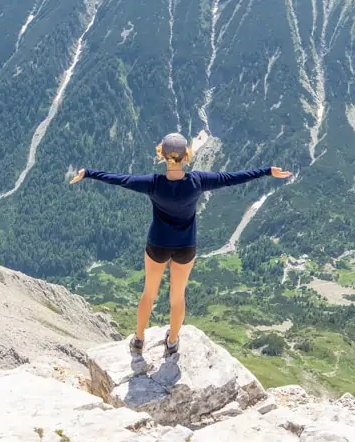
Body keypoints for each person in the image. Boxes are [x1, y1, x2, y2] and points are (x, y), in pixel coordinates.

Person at [70, 132, 291, 356]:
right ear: (187, 155)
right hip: (186, 247)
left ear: (161, 154)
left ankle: (138, 339)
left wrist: (88, 173)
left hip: (157, 244)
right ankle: (173, 341)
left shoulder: (152, 184)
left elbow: (119, 178)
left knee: (149, 293)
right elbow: (231, 177)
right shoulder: (197, 181)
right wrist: (266, 171)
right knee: (177, 296)